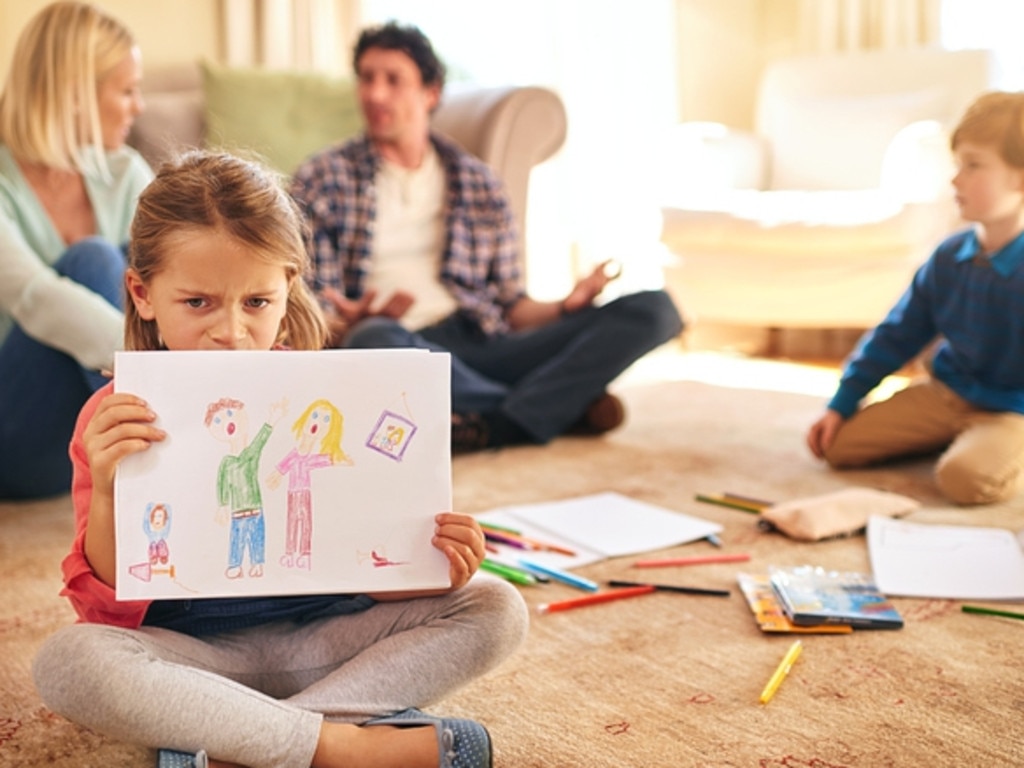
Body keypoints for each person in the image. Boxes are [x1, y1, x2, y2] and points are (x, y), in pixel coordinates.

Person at [32, 151, 529, 768]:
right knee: (69, 661)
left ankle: (244, 744)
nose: (232, 332)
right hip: (193, 655)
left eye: (257, 303)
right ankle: (341, 745)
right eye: (198, 303)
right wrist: (109, 490)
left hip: (324, 639)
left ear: (288, 289)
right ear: (144, 293)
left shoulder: (325, 400)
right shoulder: (114, 414)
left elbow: (371, 572)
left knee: (494, 605)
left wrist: (433, 561)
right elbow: (104, 608)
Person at [291, 21, 684, 454]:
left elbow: (511, 307)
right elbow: (311, 314)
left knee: (655, 309)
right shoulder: (322, 178)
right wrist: (350, 320)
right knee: (373, 341)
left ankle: (493, 419)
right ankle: (553, 407)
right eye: (366, 78)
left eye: (393, 80)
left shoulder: (478, 182)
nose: (375, 94)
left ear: (431, 92)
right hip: (399, 343)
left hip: (483, 339)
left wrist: (564, 307)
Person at [806, 91, 1024, 506]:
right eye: (957, 165)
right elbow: (896, 333)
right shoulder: (949, 256)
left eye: (973, 166)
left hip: (1012, 410)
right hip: (946, 393)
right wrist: (842, 403)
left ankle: (995, 447)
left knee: (966, 480)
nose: (955, 180)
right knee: (838, 447)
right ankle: (957, 436)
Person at [0, 1, 153, 499]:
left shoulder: (125, 173)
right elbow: (32, 296)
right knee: (92, 260)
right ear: (75, 95)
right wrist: (152, 368)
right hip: (17, 432)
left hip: (86, 436)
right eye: (127, 91)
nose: (139, 107)